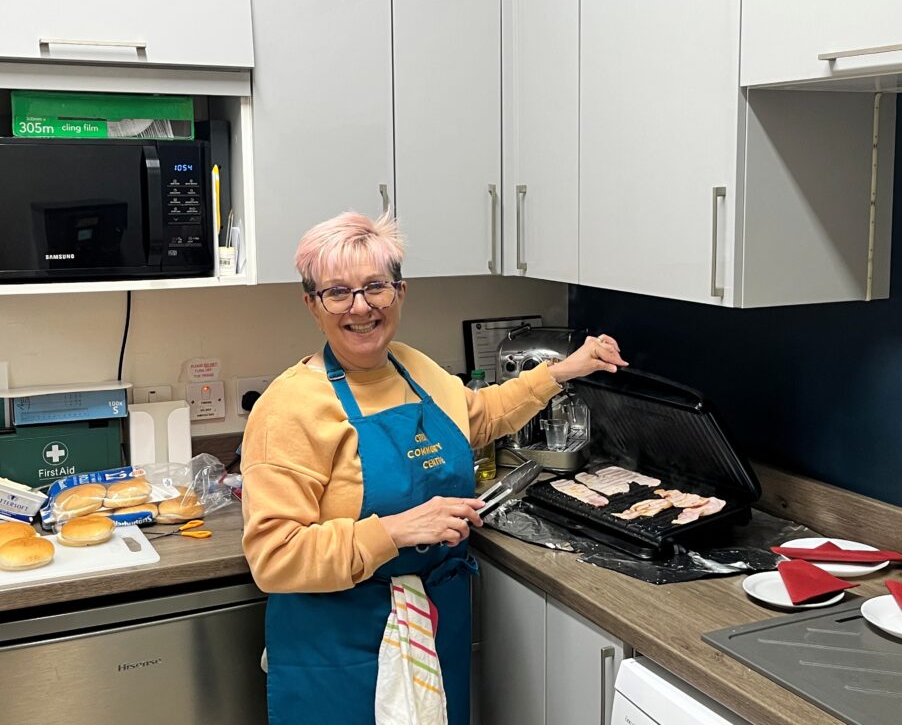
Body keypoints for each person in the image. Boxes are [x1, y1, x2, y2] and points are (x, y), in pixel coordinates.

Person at [241, 211, 628, 725]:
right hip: (346, 646)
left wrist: (562, 371)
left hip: (433, 627)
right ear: (312, 305)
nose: (361, 307)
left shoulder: (413, 367)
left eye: (375, 286)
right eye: (338, 292)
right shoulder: (289, 407)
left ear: (399, 292)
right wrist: (397, 531)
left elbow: (480, 416)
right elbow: (274, 556)